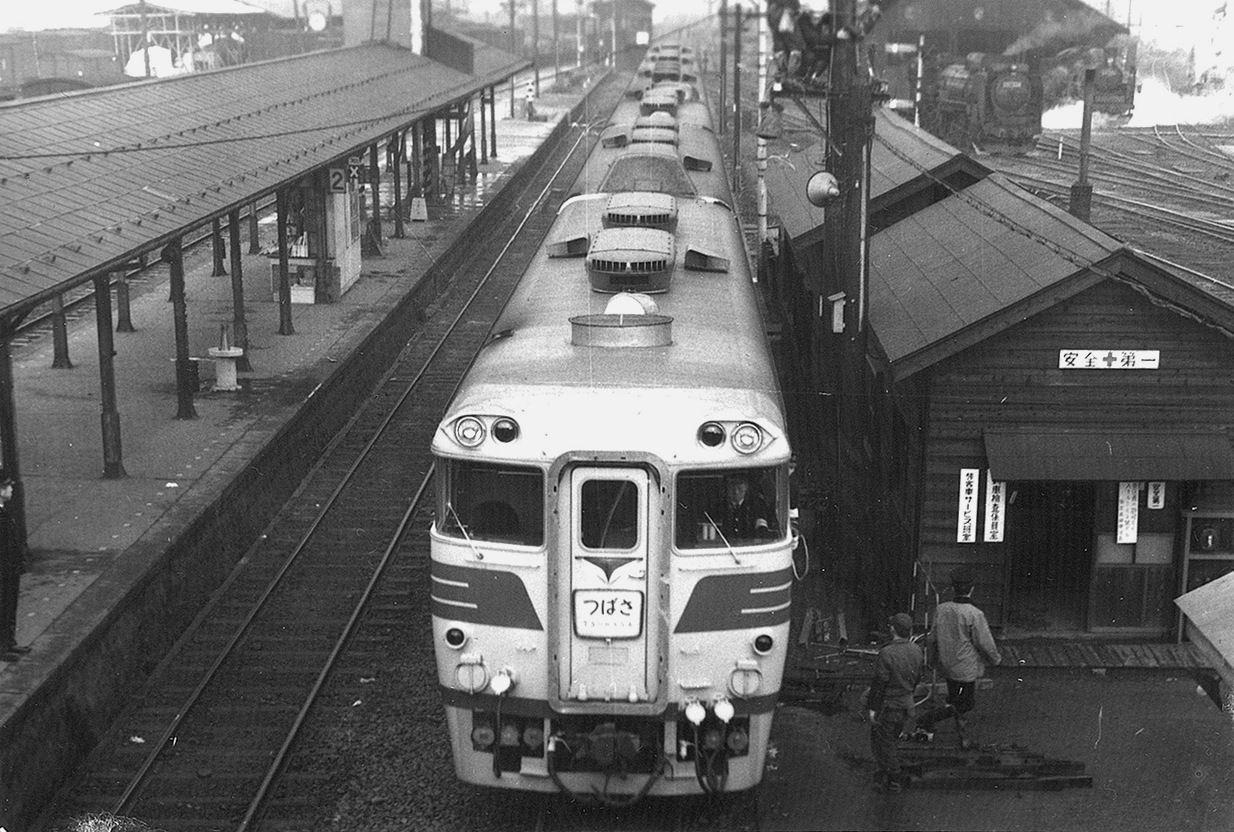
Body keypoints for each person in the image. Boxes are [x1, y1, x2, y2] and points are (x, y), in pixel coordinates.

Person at [913, 567, 1001, 748]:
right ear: (972, 588)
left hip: (946, 665)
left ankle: (960, 735)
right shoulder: (975, 614)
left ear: (953, 587)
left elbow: (932, 638)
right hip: (965, 668)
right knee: (965, 704)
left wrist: (931, 660)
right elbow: (984, 643)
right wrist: (995, 659)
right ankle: (929, 720)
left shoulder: (942, 609)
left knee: (955, 698)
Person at [867, 612, 924, 793]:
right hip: (907, 704)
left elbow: (879, 683)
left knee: (883, 742)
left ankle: (894, 778)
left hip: (889, 705)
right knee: (892, 738)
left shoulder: (886, 653)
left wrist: (873, 708)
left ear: (892, 629)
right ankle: (887, 772)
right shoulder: (917, 650)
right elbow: (917, 679)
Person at [0, 471, 29, 661]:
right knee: (4, 607)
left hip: (10, 569)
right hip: (4, 571)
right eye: (7, 486)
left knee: (10, 605)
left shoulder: (4, 511)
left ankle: (10, 642)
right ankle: (3, 647)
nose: (11, 488)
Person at [700, 474, 778, 543]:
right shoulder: (717, 507)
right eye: (732, 485)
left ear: (746, 487)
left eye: (740, 486)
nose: (736, 491)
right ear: (727, 487)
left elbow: (762, 528)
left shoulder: (756, 505)